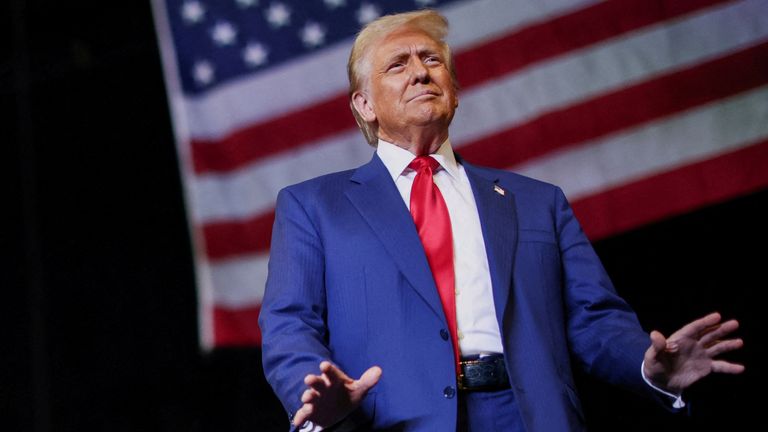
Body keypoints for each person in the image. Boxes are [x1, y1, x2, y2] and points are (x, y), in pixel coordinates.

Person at [258, 9, 744, 432]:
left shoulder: (537, 202)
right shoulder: (314, 206)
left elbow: (595, 319)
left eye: (432, 61)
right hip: (390, 420)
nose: (421, 73)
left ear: (454, 90)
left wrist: (646, 366)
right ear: (364, 104)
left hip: (530, 417)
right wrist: (318, 397)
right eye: (398, 65)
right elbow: (288, 324)